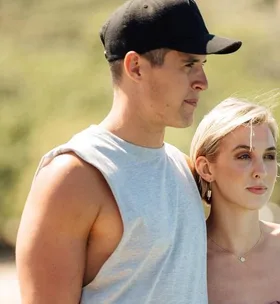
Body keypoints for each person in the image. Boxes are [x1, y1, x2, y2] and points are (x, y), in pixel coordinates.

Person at [15, 0, 242, 303]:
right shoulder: (74, 175)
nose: (203, 82)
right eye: (189, 64)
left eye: (203, 65)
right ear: (135, 67)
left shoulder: (185, 168)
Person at [190, 97, 280, 304]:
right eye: (244, 156)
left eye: (269, 156)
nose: (261, 171)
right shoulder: (186, 259)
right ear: (206, 168)